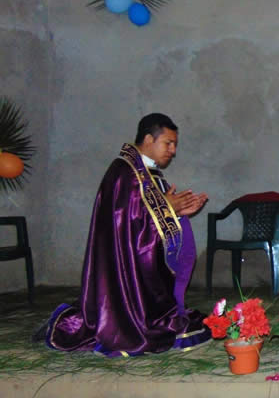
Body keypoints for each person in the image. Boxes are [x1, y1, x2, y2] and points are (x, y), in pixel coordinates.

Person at [44, 113, 212, 356]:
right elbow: (126, 221)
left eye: (174, 144)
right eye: (168, 143)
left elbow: (147, 217)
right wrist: (167, 208)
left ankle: (154, 314)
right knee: (142, 329)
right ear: (148, 139)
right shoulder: (125, 173)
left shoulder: (145, 172)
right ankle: (128, 322)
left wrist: (176, 212)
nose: (173, 151)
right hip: (123, 259)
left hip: (141, 257)